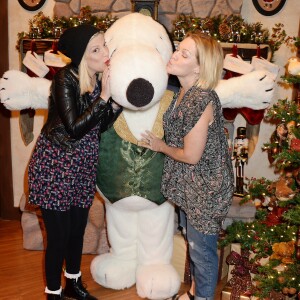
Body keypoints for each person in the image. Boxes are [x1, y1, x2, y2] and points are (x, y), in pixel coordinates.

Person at [28, 25, 122, 300]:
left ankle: (73, 283)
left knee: (76, 232)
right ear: (82, 56)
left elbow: (99, 126)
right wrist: (104, 97)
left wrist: (114, 104)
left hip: (82, 165)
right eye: (96, 49)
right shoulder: (64, 79)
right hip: (55, 166)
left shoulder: (95, 79)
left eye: (104, 45)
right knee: (58, 237)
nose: (105, 53)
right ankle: (53, 293)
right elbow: (74, 128)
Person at [142, 31, 234, 300]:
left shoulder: (201, 99)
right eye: (177, 49)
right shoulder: (182, 92)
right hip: (190, 186)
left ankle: (202, 296)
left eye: (185, 54)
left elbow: (192, 155)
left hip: (206, 189)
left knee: (201, 252)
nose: (174, 55)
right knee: (193, 242)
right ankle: (194, 292)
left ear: (199, 66)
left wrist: (160, 146)